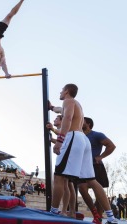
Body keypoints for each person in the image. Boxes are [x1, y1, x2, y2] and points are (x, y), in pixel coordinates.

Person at [50, 84, 117, 224]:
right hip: (83, 140)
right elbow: (61, 110)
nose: (60, 92)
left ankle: (53, 212)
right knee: (91, 180)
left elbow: (67, 119)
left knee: (59, 177)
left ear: (67, 91)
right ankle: (111, 217)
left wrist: (59, 141)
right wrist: (51, 107)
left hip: (73, 137)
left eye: (62, 90)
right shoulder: (76, 104)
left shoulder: (68, 101)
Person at [78, 117, 116, 223]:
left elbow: (111, 146)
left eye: (83, 121)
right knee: (82, 189)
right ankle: (95, 213)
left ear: (88, 124)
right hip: (82, 168)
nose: (80, 122)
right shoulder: (79, 136)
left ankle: (100, 215)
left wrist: (101, 156)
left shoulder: (97, 135)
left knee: (97, 191)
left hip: (96, 166)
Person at [47, 115, 76, 217]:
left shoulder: (64, 127)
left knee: (65, 183)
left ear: (61, 121)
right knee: (67, 184)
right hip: (69, 154)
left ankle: (64, 210)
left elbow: (63, 133)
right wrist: (53, 140)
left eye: (56, 119)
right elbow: (63, 141)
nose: (54, 120)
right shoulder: (61, 130)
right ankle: (69, 211)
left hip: (67, 155)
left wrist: (52, 129)